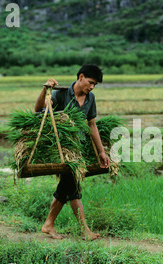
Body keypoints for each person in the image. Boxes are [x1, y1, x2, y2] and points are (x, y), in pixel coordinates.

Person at [34, 64, 109, 240]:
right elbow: (39, 110)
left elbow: (91, 125)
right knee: (72, 185)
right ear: (80, 77)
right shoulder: (60, 94)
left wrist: (101, 152)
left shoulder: (91, 99)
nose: (91, 87)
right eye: (90, 82)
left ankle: (49, 224)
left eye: (95, 85)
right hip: (62, 150)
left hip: (78, 150)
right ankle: (83, 230)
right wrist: (45, 89)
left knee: (69, 187)